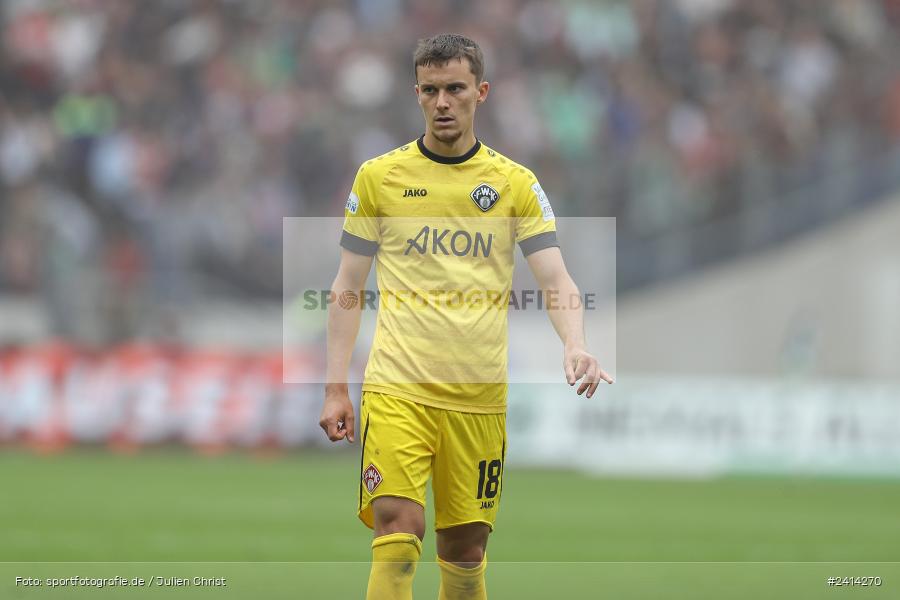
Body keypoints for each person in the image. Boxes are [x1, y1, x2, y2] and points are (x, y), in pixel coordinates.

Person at [319, 33, 613, 600]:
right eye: (430, 91)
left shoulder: (514, 184)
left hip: (477, 398)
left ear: (481, 92)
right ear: (417, 95)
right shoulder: (379, 178)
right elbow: (347, 287)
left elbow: (554, 278)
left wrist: (575, 342)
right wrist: (336, 388)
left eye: (455, 89)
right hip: (398, 388)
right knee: (399, 533)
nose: (443, 102)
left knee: (465, 553)